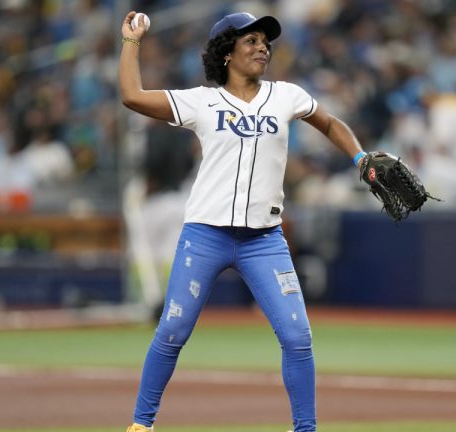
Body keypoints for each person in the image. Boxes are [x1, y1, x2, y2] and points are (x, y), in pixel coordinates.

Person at [119, 11, 371, 432]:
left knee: (297, 338)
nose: (262, 47)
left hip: (264, 241)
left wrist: (360, 157)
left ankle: (305, 430)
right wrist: (131, 43)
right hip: (205, 235)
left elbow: (328, 122)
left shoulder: (285, 95)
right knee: (173, 329)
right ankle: (141, 425)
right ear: (227, 52)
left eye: (265, 41)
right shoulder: (203, 101)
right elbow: (131, 95)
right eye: (251, 40)